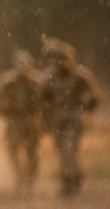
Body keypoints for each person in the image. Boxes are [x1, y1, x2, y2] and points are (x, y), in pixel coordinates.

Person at [39, 37, 99, 196]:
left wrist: (86, 106)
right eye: (57, 60)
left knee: (68, 149)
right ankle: (74, 176)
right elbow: (42, 98)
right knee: (61, 151)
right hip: (57, 119)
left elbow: (95, 97)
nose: (60, 63)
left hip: (75, 117)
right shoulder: (50, 77)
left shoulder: (80, 76)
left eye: (63, 59)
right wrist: (45, 116)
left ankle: (68, 182)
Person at [0, 49, 45, 192]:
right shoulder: (7, 81)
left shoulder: (37, 80)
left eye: (24, 63)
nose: (21, 66)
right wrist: (6, 107)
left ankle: (30, 180)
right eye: (18, 63)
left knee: (32, 152)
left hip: (31, 121)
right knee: (13, 151)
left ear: (30, 63)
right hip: (14, 121)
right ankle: (19, 177)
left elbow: (45, 101)